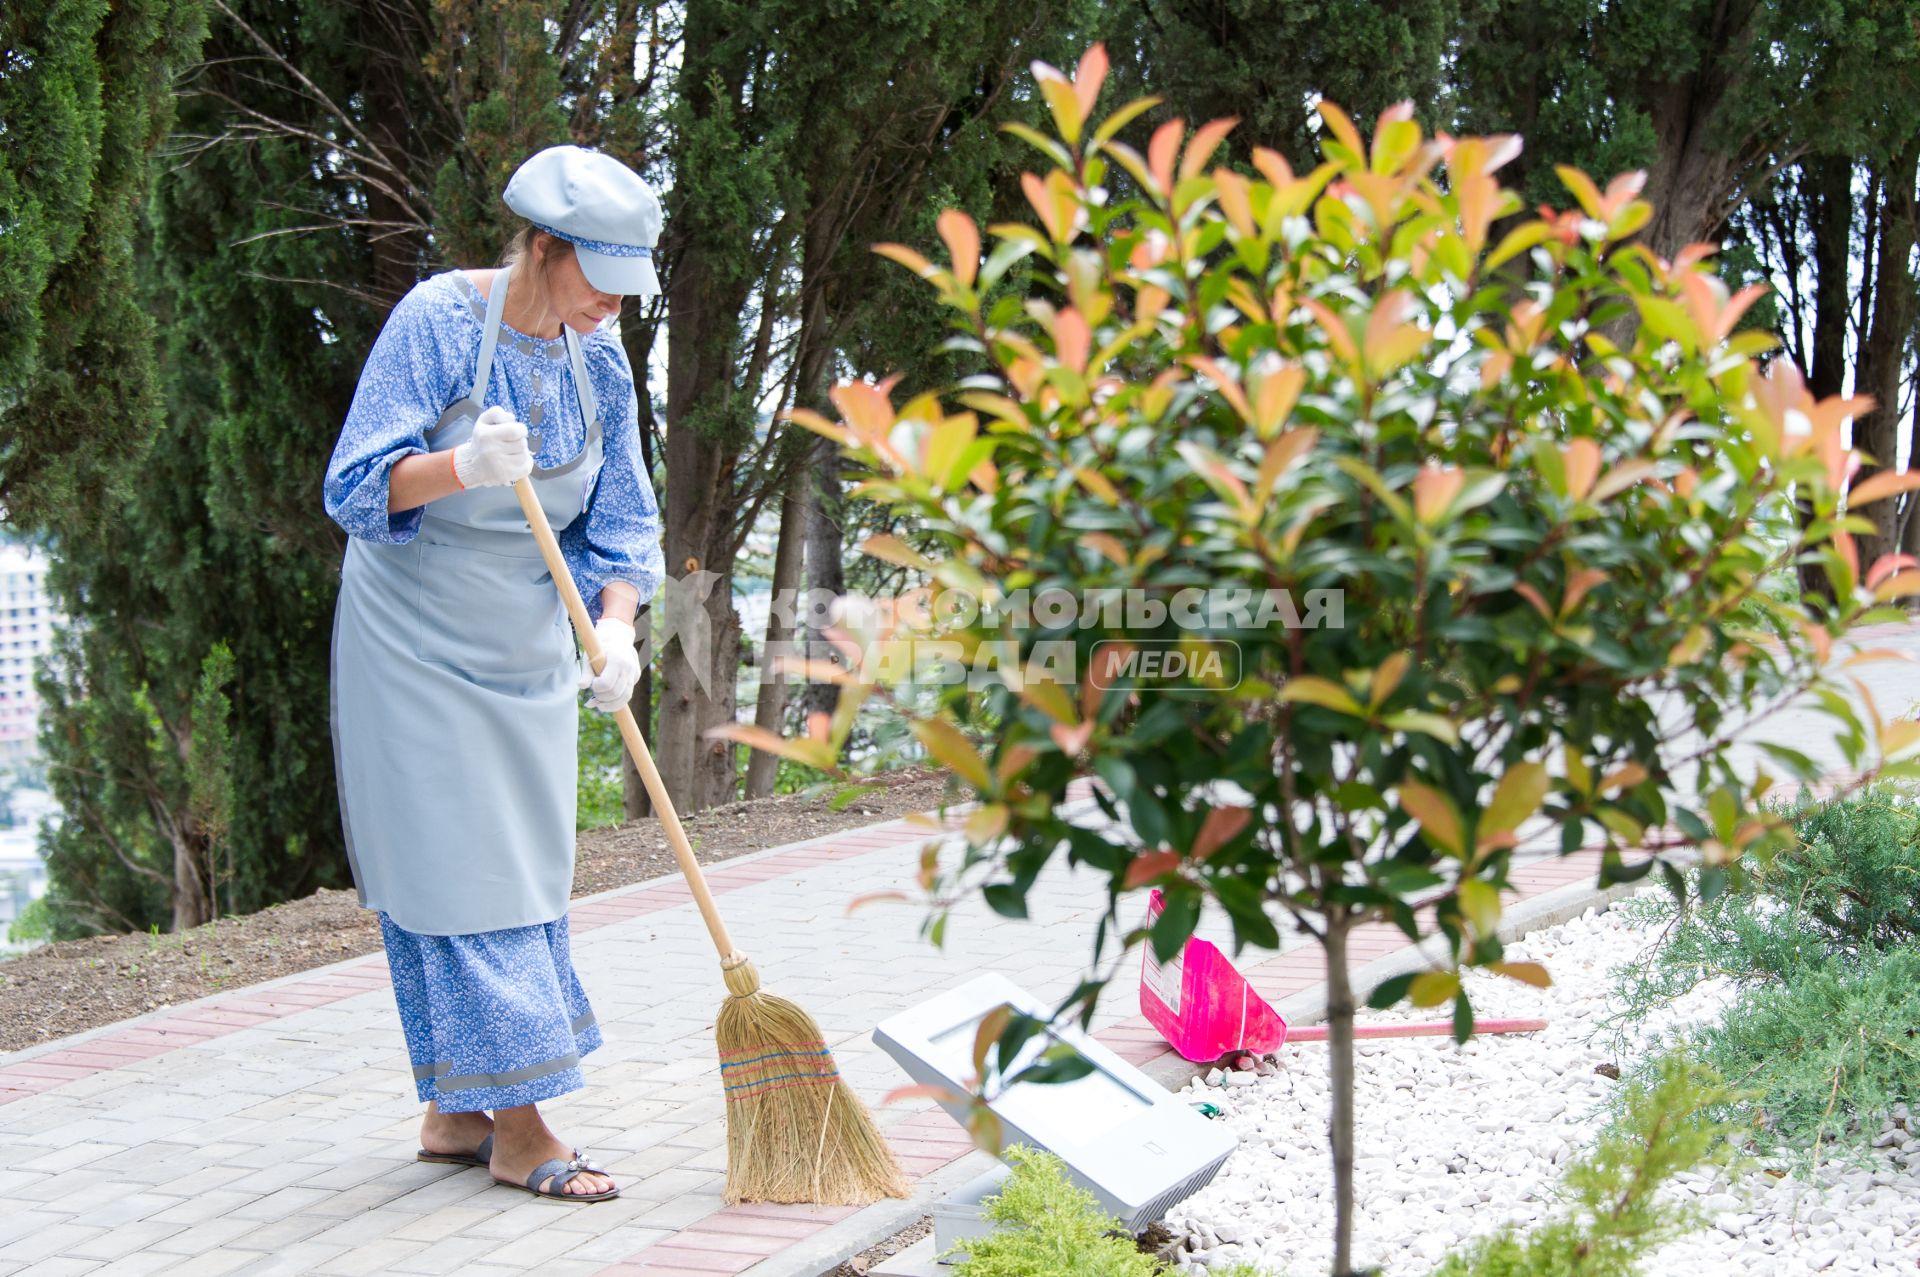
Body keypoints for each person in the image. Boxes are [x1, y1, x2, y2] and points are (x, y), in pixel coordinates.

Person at [324, 146, 666, 1202]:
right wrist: (461, 465)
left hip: (525, 642)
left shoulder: (596, 360)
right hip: (413, 640)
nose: (614, 306)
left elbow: (622, 523)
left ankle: (455, 1105)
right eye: (600, 279)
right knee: (464, 869)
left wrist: (615, 632)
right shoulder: (436, 321)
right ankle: (518, 1126)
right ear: (546, 247)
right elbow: (353, 484)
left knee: (520, 868)